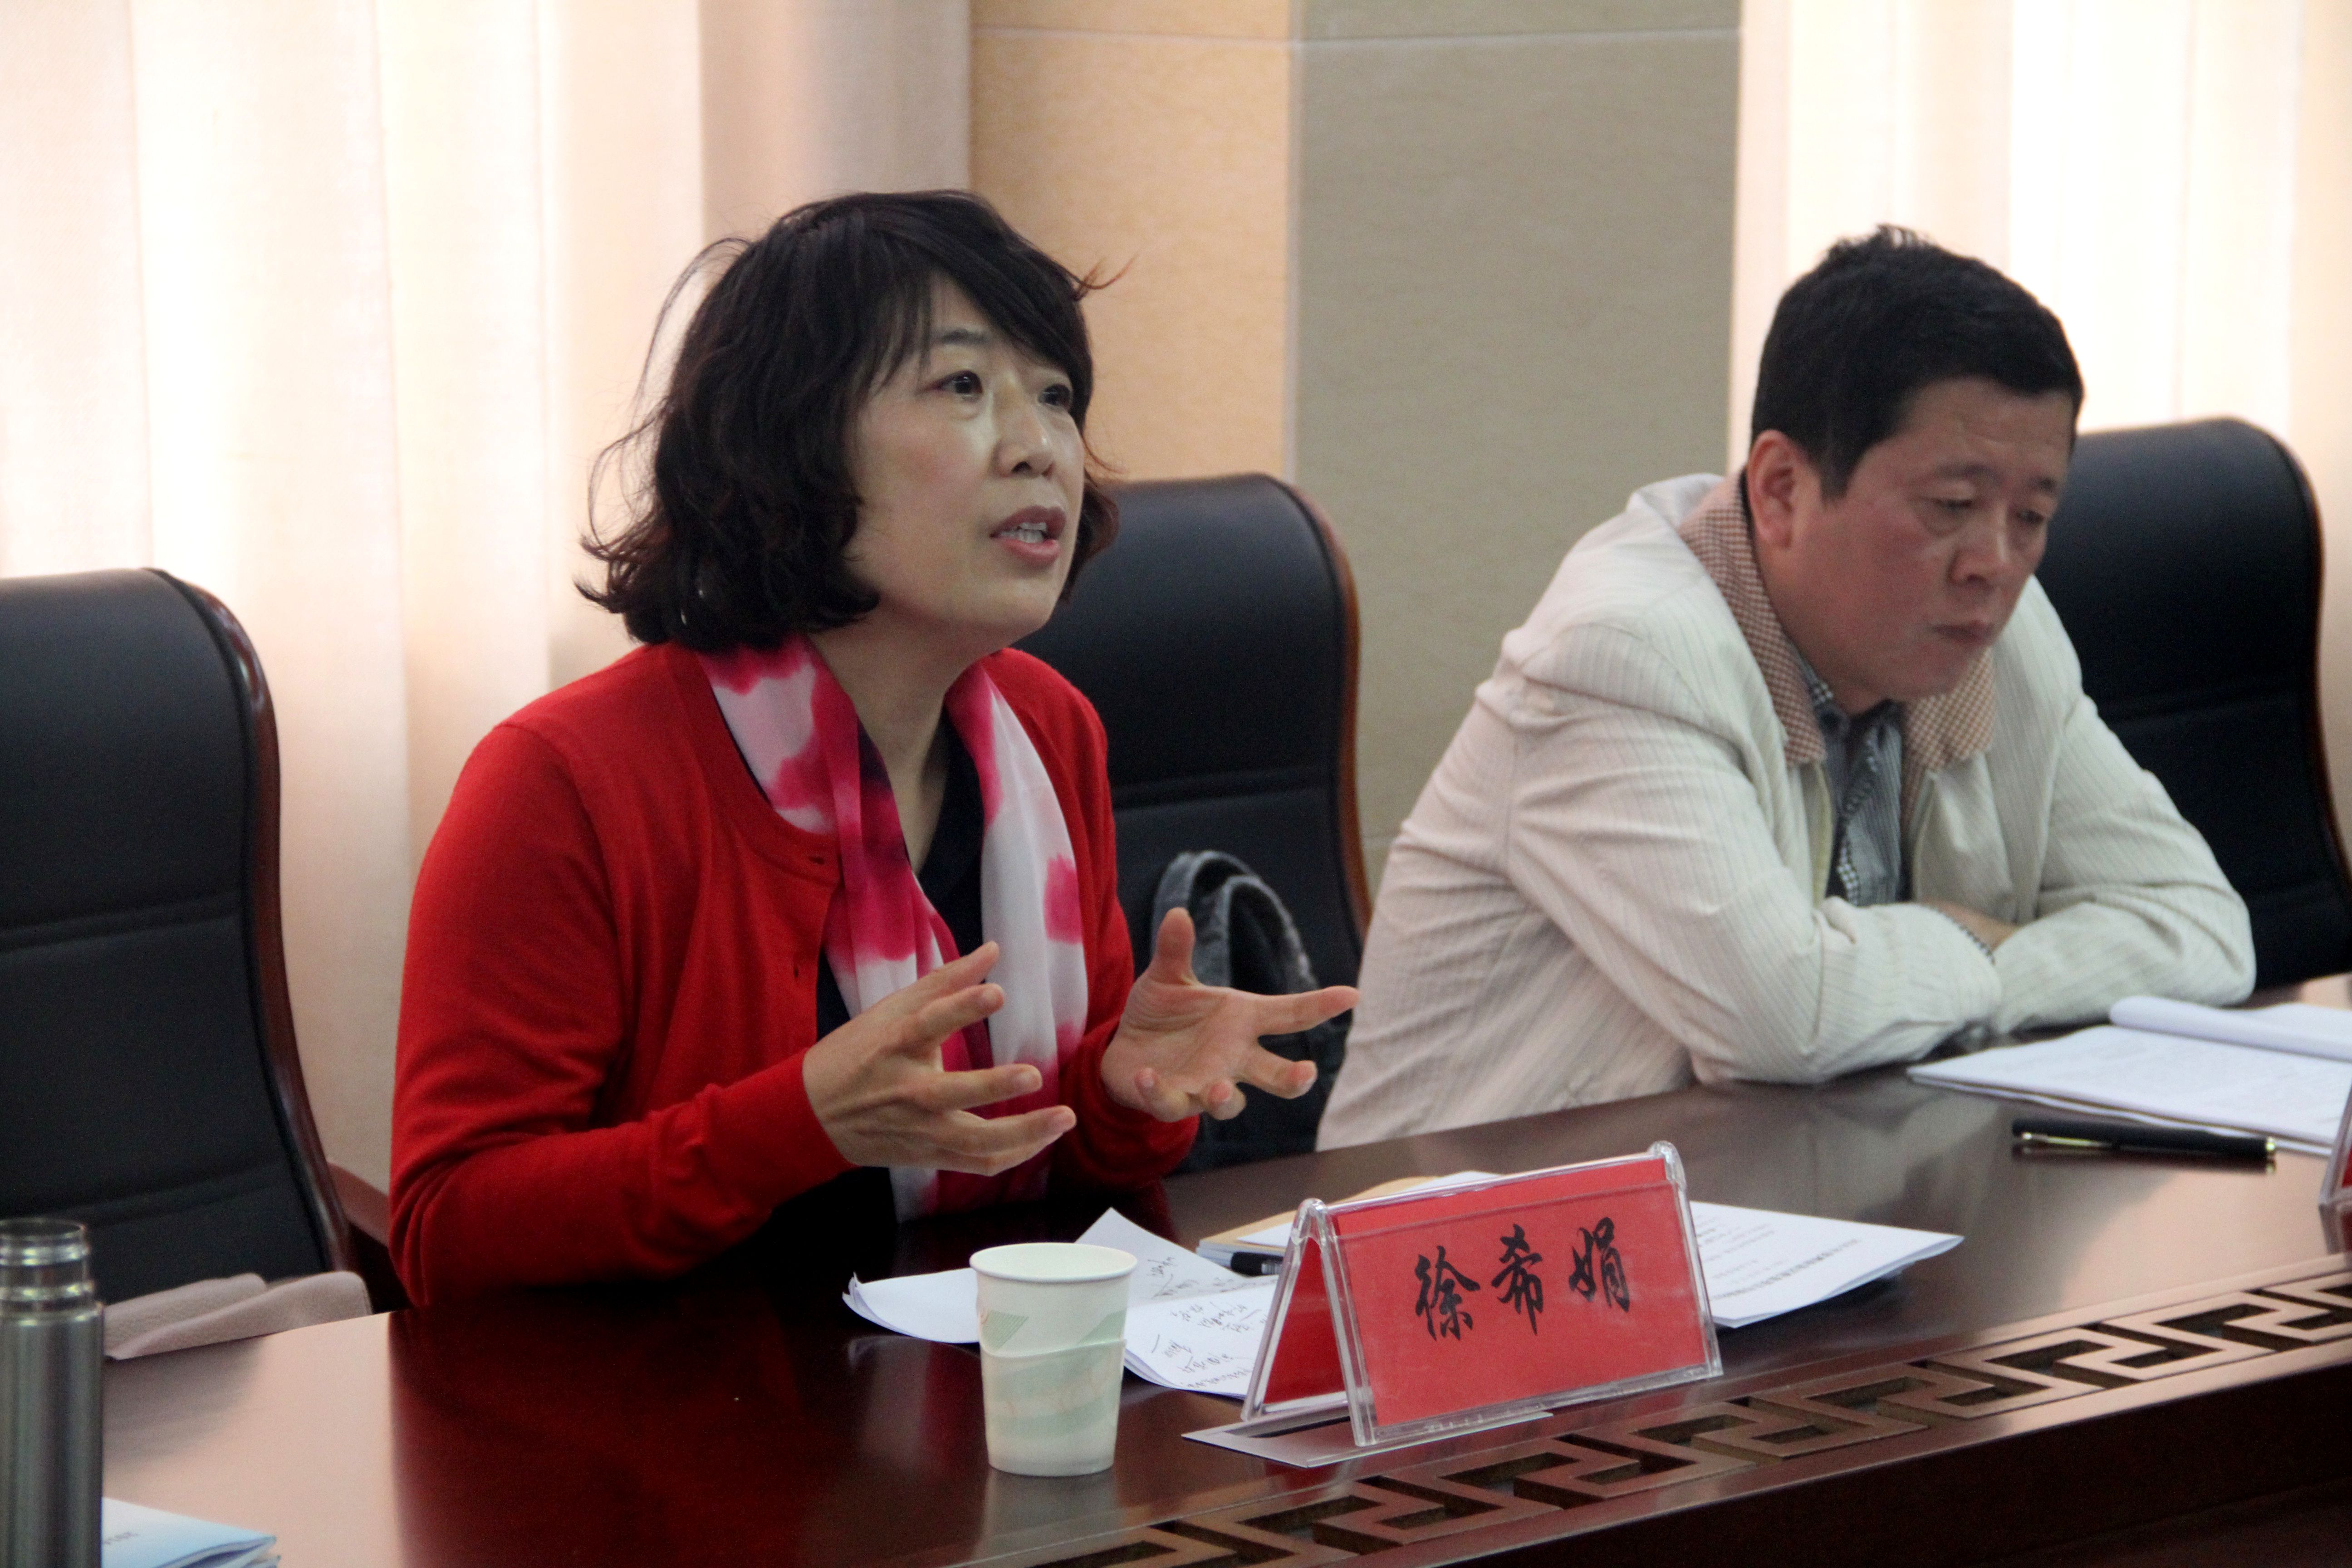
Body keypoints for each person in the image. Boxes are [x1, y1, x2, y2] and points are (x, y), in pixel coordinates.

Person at [391, 192, 1355, 1303]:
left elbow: (1049, 1179)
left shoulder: (1048, 731)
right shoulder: (567, 780)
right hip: (671, 1395)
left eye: (1055, 395)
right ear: (791, 443)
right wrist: (794, 1125)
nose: (1040, 447)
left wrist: (1121, 1094)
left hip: (957, 1377)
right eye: (963, 386)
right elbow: (448, 1234)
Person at [1319, 228, 2254, 1147]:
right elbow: (1784, 1018)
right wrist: (1973, 941)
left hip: (1800, 1191)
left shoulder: (2001, 637)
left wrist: (1985, 969)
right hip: (1458, 1222)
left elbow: (2204, 929)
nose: (1995, 563)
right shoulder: (1623, 654)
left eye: (2034, 515)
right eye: (1952, 507)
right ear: (1779, 490)